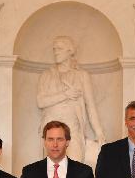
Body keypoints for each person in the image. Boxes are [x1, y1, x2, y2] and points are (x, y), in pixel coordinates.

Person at [36, 36, 106, 165]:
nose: (56, 51)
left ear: (70, 51)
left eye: (59, 48)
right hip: (50, 130)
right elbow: (41, 102)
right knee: (50, 172)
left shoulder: (81, 75)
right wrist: (66, 94)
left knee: (75, 171)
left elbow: (90, 106)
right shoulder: (46, 75)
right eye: (54, 49)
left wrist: (99, 132)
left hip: (73, 130)